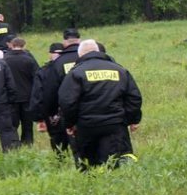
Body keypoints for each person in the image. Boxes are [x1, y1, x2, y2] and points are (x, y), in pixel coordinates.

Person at [59, 39, 142, 169]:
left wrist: (69, 123)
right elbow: (134, 97)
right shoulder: (119, 70)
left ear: (80, 55)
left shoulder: (75, 73)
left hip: (86, 126)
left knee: (90, 166)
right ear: (98, 51)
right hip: (115, 125)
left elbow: (67, 102)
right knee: (116, 164)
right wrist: (132, 120)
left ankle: (93, 187)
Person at [33, 28, 82, 155]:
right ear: (80, 40)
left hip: (64, 109)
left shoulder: (57, 63)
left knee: (61, 143)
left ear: (65, 42)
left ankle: (63, 163)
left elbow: (50, 91)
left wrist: (49, 114)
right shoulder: (88, 57)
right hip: (92, 108)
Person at [29, 42, 68, 153]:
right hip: (61, 111)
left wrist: (39, 117)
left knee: (58, 142)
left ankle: (61, 163)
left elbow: (38, 94)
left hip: (54, 113)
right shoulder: (71, 66)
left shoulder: (44, 70)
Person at [3, 36, 41, 145]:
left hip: (11, 98)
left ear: (12, 45)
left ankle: (14, 145)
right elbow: (37, 78)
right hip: (27, 97)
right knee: (27, 125)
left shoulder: (4, 60)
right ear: (24, 46)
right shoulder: (29, 60)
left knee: (12, 125)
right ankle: (28, 144)